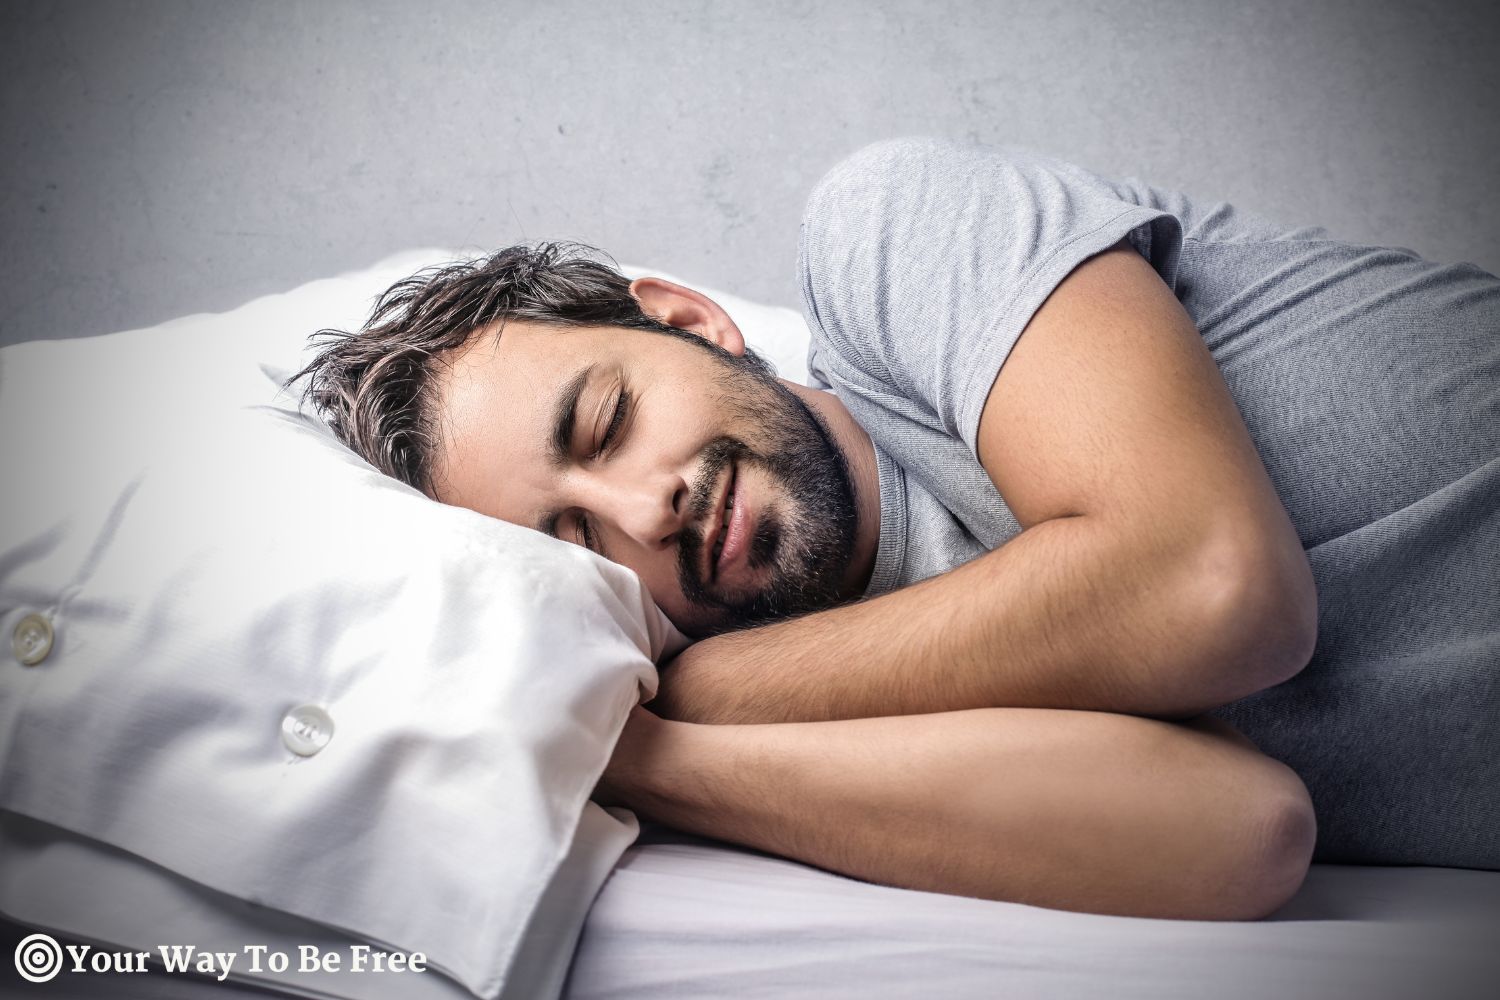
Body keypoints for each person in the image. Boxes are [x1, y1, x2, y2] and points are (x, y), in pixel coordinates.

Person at [295, 137, 1498, 922]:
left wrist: (702, 693)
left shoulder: (892, 234)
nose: (638, 511)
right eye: (576, 543)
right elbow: (1243, 834)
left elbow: (1216, 588)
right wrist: (646, 758)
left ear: (691, 321)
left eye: (608, 423)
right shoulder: (851, 695)